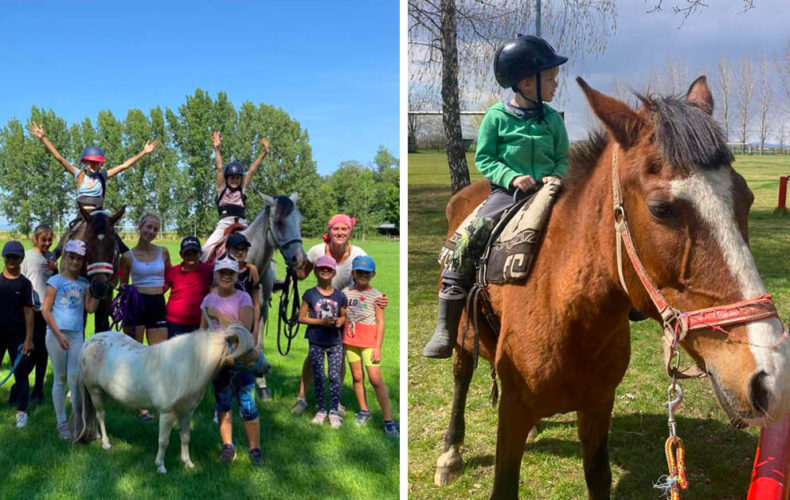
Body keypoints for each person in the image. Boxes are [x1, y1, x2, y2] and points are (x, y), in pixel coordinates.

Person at [422, 34, 569, 359]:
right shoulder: (496, 118)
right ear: (527, 83)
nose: (556, 84)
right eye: (551, 79)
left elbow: (563, 157)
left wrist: (556, 175)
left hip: (552, 190)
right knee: (470, 236)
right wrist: (512, 177)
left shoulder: (554, 120)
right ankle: (446, 324)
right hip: (508, 193)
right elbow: (485, 159)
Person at [292, 214, 388, 414]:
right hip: (320, 310)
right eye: (336, 229)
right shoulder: (317, 251)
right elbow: (302, 274)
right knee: (313, 356)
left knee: (341, 355)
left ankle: (336, 400)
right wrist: (291, 264)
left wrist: (378, 299)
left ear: (350, 231)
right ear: (329, 231)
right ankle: (301, 397)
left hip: (347, 313)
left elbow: (363, 281)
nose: (340, 233)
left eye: (344, 229)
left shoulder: (358, 253)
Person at [27, 122, 157, 257]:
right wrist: (43, 138)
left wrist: (144, 152)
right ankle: (52, 259)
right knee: (64, 240)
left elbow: (123, 166)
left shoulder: (103, 176)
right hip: (82, 216)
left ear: (101, 163)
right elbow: (59, 158)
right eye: (91, 162)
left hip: (99, 216)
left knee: (119, 244)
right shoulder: (78, 175)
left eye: (97, 162)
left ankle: (130, 261)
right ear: (86, 162)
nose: (94, 165)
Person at [200, 255, 263, 467]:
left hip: (240, 357)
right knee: (223, 402)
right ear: (215, 275)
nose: (226, 277)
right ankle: (228, 446)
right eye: (222, 273)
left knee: (247, 403)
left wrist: (218, 315)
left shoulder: (243, 298)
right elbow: (203, 330)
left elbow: (243, 329)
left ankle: (255, 449)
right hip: (218, 359)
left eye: (230, 273)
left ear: (236, 275)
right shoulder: (208, 299)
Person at [41, 240, 98, 439]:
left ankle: (78, 423)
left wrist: (98, 292)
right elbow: (45, 311)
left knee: (75, 380)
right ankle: (61, 422)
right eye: (71, 257)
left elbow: (90, 308)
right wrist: (58, 334)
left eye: (79, 259)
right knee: (60, 379)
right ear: (65, 258)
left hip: (76, 336)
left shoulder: (84, 284)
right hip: (56, 335)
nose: (75, 262)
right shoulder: (55, 281)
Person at [118, 212, 171, 421]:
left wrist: (158, 292)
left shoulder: (164, 252)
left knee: (159, 356)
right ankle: (140, 406)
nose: (151, 231)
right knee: (136, 356)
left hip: (157, 305)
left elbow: (170, 278)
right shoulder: (127, 257)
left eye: (155, 229)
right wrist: (127, 295)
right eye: (148, 227)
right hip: (135, 306)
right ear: (140, 227)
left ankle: (160, 399)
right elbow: (122, 284)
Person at [342, 256, 398, 437]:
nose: (363, 275)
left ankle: (388, 420)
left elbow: (381, 323)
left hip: (369, 342)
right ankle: (364, 410)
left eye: (367, 273)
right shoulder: (345, 293)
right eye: (359, 272)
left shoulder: (377, 296)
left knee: (375, 380)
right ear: (353, 273)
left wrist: (377, 347)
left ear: (373, 274)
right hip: (350, 341)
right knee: (357, 377)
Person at [202, 131, 270, 260]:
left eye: (238, 178)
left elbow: (252, 169)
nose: (235, 180)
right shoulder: (221, 189)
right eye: (232, 178)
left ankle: (271, 274)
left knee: (262, 250)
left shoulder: (242, 190)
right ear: (227, 178)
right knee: (205, 251)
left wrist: (265, 153)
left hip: (243, 224)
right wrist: (216, 149)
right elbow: (220, 168)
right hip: (224, 225)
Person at [297, 255, 347, 429]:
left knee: (334, 377)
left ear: (334, 272)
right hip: (316, 340)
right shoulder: (310, 294)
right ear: (316, 272)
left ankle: (333, 411)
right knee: (318, 376)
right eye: (321, 269)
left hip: (335, 342)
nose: (325, 271)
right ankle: (321, 409)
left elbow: (343, 314)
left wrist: (341, 321)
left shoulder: (340, 296)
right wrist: (322, 322)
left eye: (329, 269)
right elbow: (301, 318)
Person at [222, 233, 270, 400]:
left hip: (247, 323)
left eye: (244, 249)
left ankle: (247, 393)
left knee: (246, 360)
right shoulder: (222, 272)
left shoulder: (250, 271)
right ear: (228, 249)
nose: (240, 252)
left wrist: (256, 328)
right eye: (236, 249)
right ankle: (224, 398)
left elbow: (257, 303)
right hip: (227, 324)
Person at [18, 224, 58, 405]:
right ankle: (19, 386)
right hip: (31, 312)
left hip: (47, 312)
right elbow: (21, 281)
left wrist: (55, 269)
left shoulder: (51, 257)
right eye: (44, 240)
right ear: (35, 238)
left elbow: (56, 282)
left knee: (43, 353)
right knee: (30, 352)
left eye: (50, 240)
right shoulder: (27, 257)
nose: (47, 243)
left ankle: (38, 390)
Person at [0, 241, 34, 429]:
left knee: (20, 374)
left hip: (18, 335)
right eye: (8, 256)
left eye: (15, 257)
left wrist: (28, 339)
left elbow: (29, 312)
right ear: (3, 258)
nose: (11, 260)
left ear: (21, 259)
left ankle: (22, 411)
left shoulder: (25, 284)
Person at [164, 236, 214, 338]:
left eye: (194, 253)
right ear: (181, 254)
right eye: (187, 253)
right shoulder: (173, 272)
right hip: (174, 323)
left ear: (200, 254)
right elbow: (160, 290)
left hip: (199, 323)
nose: (191, 256)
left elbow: (230, 266)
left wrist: (249, 266)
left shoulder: (209, 269)